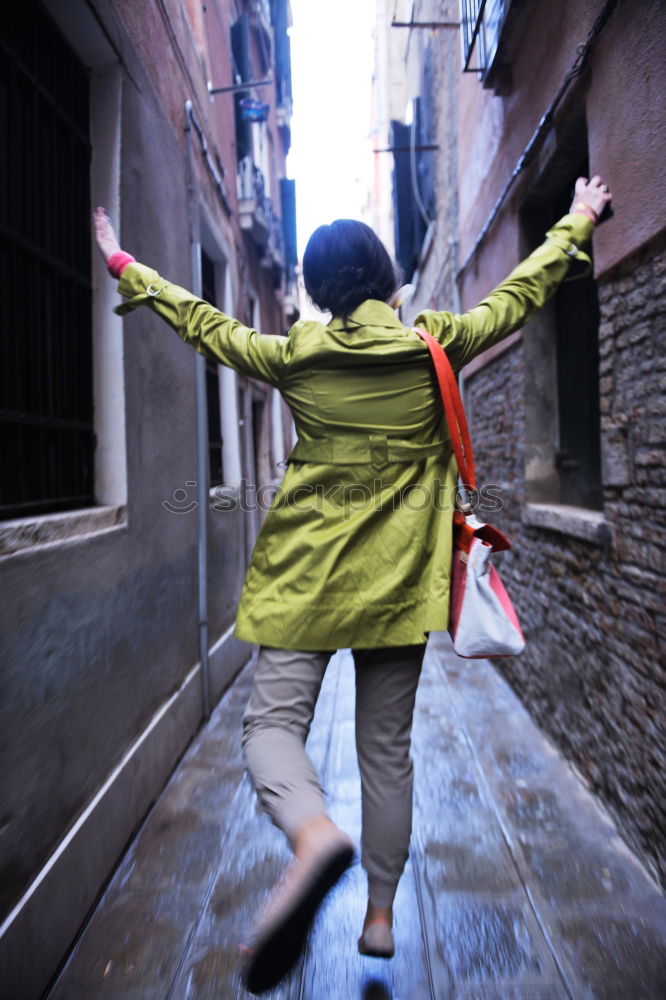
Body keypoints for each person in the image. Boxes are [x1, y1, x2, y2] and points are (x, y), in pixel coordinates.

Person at [93, 174, 612, 994]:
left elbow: (208, 326)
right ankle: (378, 917)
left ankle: (311, 835)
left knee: (270, 731)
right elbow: (517, 296)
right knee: (387, 757)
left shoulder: (299, 356)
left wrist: (126, 264)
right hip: (395, 592)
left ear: (314, 289)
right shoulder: (432, 346)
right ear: (386, 279)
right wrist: (577, 220)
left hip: (302, 586)